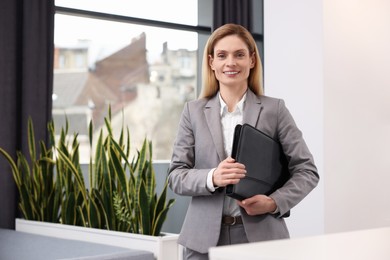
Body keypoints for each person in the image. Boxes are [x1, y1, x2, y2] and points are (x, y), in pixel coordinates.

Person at [168, 23, 319, 260]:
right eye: (222, 55)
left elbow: (307, 170)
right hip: (203, 242)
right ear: (211, 63)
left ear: (251, 60)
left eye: (239, 54)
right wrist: (212, 177)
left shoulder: (274, 109)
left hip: (262, 240)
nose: (231, 62)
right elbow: (176, 176)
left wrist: (273, 202)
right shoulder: (192, 112)